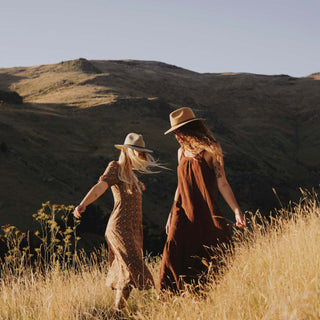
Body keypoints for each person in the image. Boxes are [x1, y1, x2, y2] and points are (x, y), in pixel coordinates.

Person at [158, 107, 246, 293]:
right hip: (182, 211)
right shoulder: (180, 152)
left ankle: (206, 292)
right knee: (172, 251)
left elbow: (222, 182)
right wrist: (170, 214)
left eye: (179, 131)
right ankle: (167, 298)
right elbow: (180, 185)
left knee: (211, 249)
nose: (177, 136)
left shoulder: (211, 149)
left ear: (191, 128)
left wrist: (236, 210)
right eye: (174, 132)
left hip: (205, 209)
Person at [74, 133, 160, 309]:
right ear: (128, 151)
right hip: (119, 227)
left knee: (126, 271)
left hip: (134, 229)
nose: (142, 155)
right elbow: (100, 187)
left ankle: (118, 310)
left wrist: (138, 185)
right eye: (138, 151)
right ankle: (159, 298)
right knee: (134, 263)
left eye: (143, 152)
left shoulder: (133, 176)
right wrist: (83, 204)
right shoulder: (115, 167)